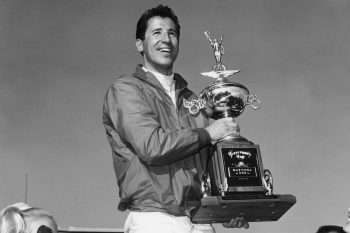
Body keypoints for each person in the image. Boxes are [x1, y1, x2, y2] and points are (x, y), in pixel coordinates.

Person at [103, 4, 248, 233]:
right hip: (154, 218)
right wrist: (208, 133)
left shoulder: (192, 99)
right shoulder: (126, 90)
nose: (166, 39)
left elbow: (205, 162)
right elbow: (152, 146)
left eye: (172, 33)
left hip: (199, 219)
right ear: (140, 44)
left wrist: (228, 206)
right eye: (157, 32)